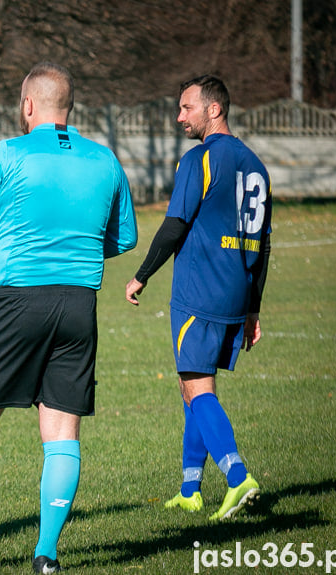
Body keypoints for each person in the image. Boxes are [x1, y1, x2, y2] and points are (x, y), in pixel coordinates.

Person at [0, 62, 138, 575]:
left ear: (28, 106)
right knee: (62, 430)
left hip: (19, 300)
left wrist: (10, 233)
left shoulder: (8, 153)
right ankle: (46, 556)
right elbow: (124, 238)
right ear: (69, 107)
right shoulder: (105, 160)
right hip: (80, 305)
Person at [125, 74, 271, 521]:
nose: (179, 116)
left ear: (214, 109)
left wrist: (141, 274)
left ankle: (237, 475)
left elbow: (174, 225)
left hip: (199, 291)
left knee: (196, 386)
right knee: (194, 386)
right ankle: (190, 489)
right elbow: (262, 244)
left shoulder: (200, 159)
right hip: (235, 291)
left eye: (187, 107)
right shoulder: (255, 165)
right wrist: (253, 307)